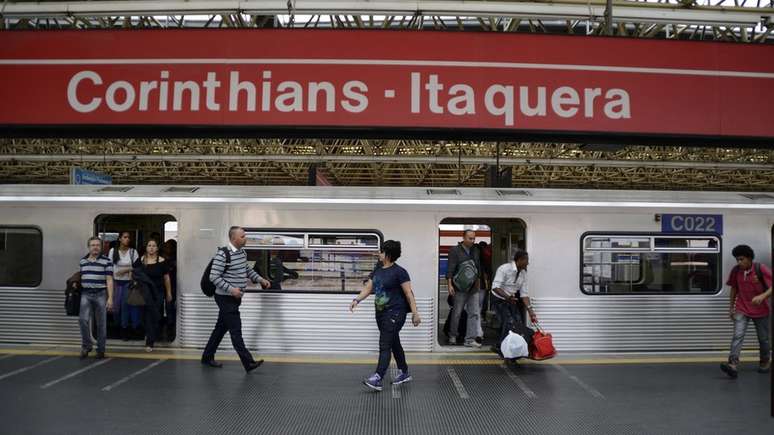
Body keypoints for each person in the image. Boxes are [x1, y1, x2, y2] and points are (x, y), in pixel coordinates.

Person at [350, 240, 421, 391]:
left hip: (396, 312)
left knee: (385, 344)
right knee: (393, 342)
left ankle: (377, 377)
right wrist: (357, 299)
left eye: (381, 251)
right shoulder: (378, 270)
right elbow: (368, 288)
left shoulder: (400, 272)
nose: (378, 254)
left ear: (388, 254)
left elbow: (409, 294)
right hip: (381, 313)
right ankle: (404, 372)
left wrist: (415, 313)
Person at [202, 226, 271, 372]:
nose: (245, 238)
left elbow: (246, 270)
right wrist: (232, 289)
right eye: (242, 236)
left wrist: (260, 280)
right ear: (233, 238)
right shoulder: (222, 254)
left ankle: (207, 357)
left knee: (220, 328)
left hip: (235, 298)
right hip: (225, 298)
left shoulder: (241, 253)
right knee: (236, 330)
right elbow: (213, 276)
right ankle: (248, 362)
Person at [720, 245, 772, 378]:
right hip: (742, 308)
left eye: (741, 259)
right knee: (737, 335)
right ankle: (732, 364)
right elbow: (733, 289)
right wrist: (731, 307)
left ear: (749, 258)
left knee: (763, 339)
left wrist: (762, 296)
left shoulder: (760, 269)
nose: (738, 262)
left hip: (761, 310)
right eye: (737, 259)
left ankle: (765, 361)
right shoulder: (736, 271)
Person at [490, 250, 538, 352]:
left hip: (511, 299)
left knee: (518, 322)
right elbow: (495, 287)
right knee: (508, 322)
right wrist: (508, 297)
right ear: (520, 260)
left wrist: (531, 311)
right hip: (499, 298)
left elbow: (524, 294)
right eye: (526, 260)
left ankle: (511, 346)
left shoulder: (523, 273)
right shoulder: (504, 269)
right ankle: (500, 347)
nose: (528, 263)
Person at [132, 238, 172, 352]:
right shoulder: (141, 260)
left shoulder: (162, 261)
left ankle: (150, 342)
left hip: (158, 293)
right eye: (149, 245)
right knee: (144, 317)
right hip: (144, 293)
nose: (151, 248)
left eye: (154, 246)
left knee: (152, 315)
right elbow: (134, 272)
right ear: (146, 248)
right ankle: (151, 333)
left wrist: (169, 293)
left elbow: (166, 278)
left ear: (157, 248)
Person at [78, 237, 114, 359]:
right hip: (86, 294)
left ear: (101, 247)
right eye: (93, 245)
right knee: (82, 320)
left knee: (101, 323)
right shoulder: (83, 261)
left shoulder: (107, 261)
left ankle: (101, 349)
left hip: (101, 293)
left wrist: (110, 299)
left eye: (98, 245)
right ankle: (87, 345)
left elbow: (109, 280)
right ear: (89, 247)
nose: (95, 247)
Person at [445, 229, 482, 347]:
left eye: (473, 238)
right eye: (470, 238)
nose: (472, 241)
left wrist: (479, 283)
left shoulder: (475, 250)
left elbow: (478, 267)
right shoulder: (454, 250)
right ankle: (453, 336)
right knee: (457, 312)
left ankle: (470, 339)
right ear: (463, 237)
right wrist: (450, 285)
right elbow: (450, 268)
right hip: (459, 288)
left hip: (473, 288)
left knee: (474, 313)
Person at [108, 231, 139, 341]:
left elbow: (137, 267)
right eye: (125, 237)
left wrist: (125, 270)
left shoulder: (133, 252)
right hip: (116, 282)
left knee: (126, 306)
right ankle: (117, 327)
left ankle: (124, 330)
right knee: (116, 308)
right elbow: (109, 267)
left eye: (128, 237)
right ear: (120, 239)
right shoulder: (113, 251)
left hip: (128, 283)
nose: (127, 239)